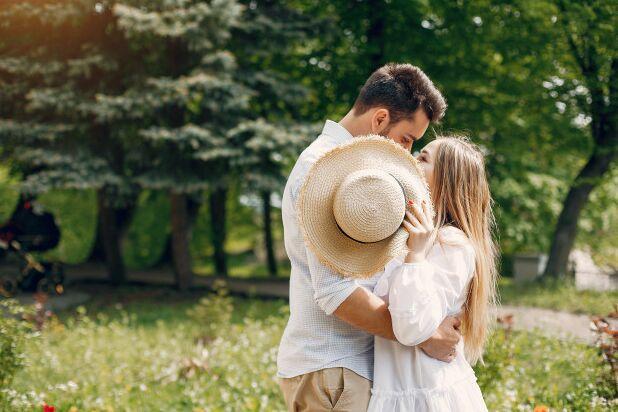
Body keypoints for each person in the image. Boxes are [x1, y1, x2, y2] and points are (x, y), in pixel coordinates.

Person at [277, 63, 460, 411]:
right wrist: (424, 336)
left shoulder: (356, 171)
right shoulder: (322, 169)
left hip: (347, 370)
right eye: (406, 138)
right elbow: (336, 292)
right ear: (379, 119)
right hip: (335, 369)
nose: (406, 153)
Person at [367, 136, 498, 411]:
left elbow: (412, 327)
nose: (412, 160)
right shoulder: (412, 238)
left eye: (423, 158)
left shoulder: (451, 243)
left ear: (447, 182)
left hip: (427, 395)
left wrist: (415, 257)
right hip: (400, 388)